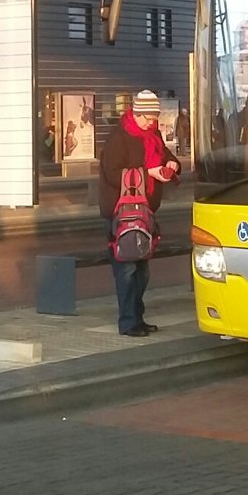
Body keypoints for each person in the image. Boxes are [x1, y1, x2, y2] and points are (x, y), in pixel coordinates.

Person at [98, 89, 180, 337]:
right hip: (121, 211)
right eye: (146, 117)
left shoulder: (152, 134)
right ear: (135, 113)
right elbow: (112, 173)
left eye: (153, 117)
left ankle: (138, 317)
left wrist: (172, 164)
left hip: (145, 211)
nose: (150, 122)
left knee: (142, 270)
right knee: (127, 268)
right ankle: (128, 322)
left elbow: (166, 155)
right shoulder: (119, 137)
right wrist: (148, 174)